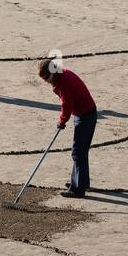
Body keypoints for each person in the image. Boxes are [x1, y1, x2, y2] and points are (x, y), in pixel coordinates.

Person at [38, 59, 97, 198]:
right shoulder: (62, 75)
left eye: (46, 78)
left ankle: (78, 189)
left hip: (85, 116)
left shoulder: (63, 82)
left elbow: (67, 104)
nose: (46, 81)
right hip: (86, 113)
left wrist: (62, 121)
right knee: (81, 151)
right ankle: (81, 182)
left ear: (52, 73)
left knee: (78, 152)